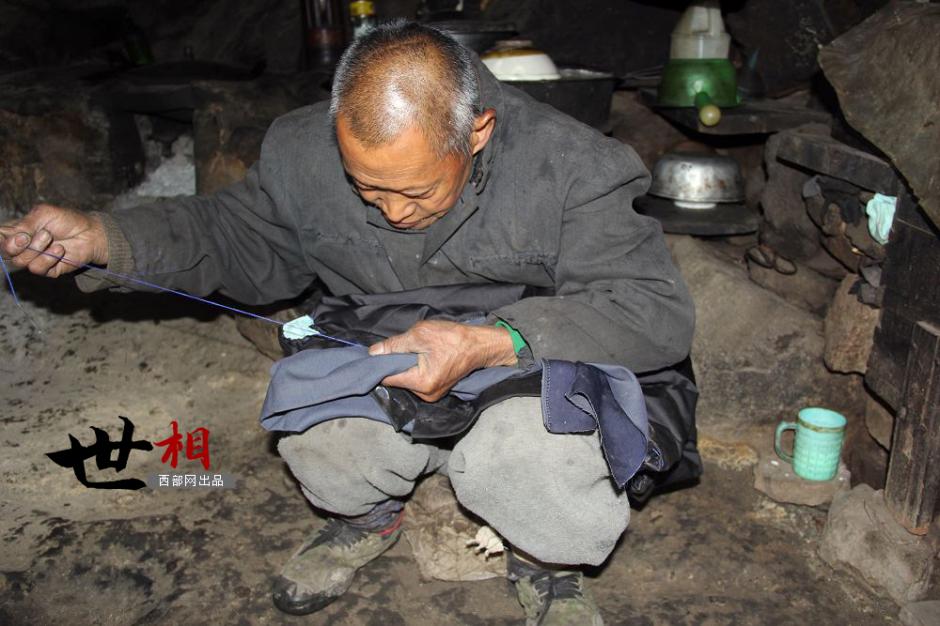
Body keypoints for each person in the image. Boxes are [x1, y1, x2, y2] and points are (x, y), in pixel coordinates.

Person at [0, 21, 695, 626]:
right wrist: (103, 238)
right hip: (389, 339)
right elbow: (230, 233)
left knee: (529, 455)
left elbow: (654, 310)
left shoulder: (573, 165)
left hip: (532, 354)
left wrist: (496, 340)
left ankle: (546, 561)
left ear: (477, 131)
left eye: (416, 190)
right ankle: (370, 516)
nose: (392, 212)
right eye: (368, 188)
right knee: (314, 417)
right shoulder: (304, 150)